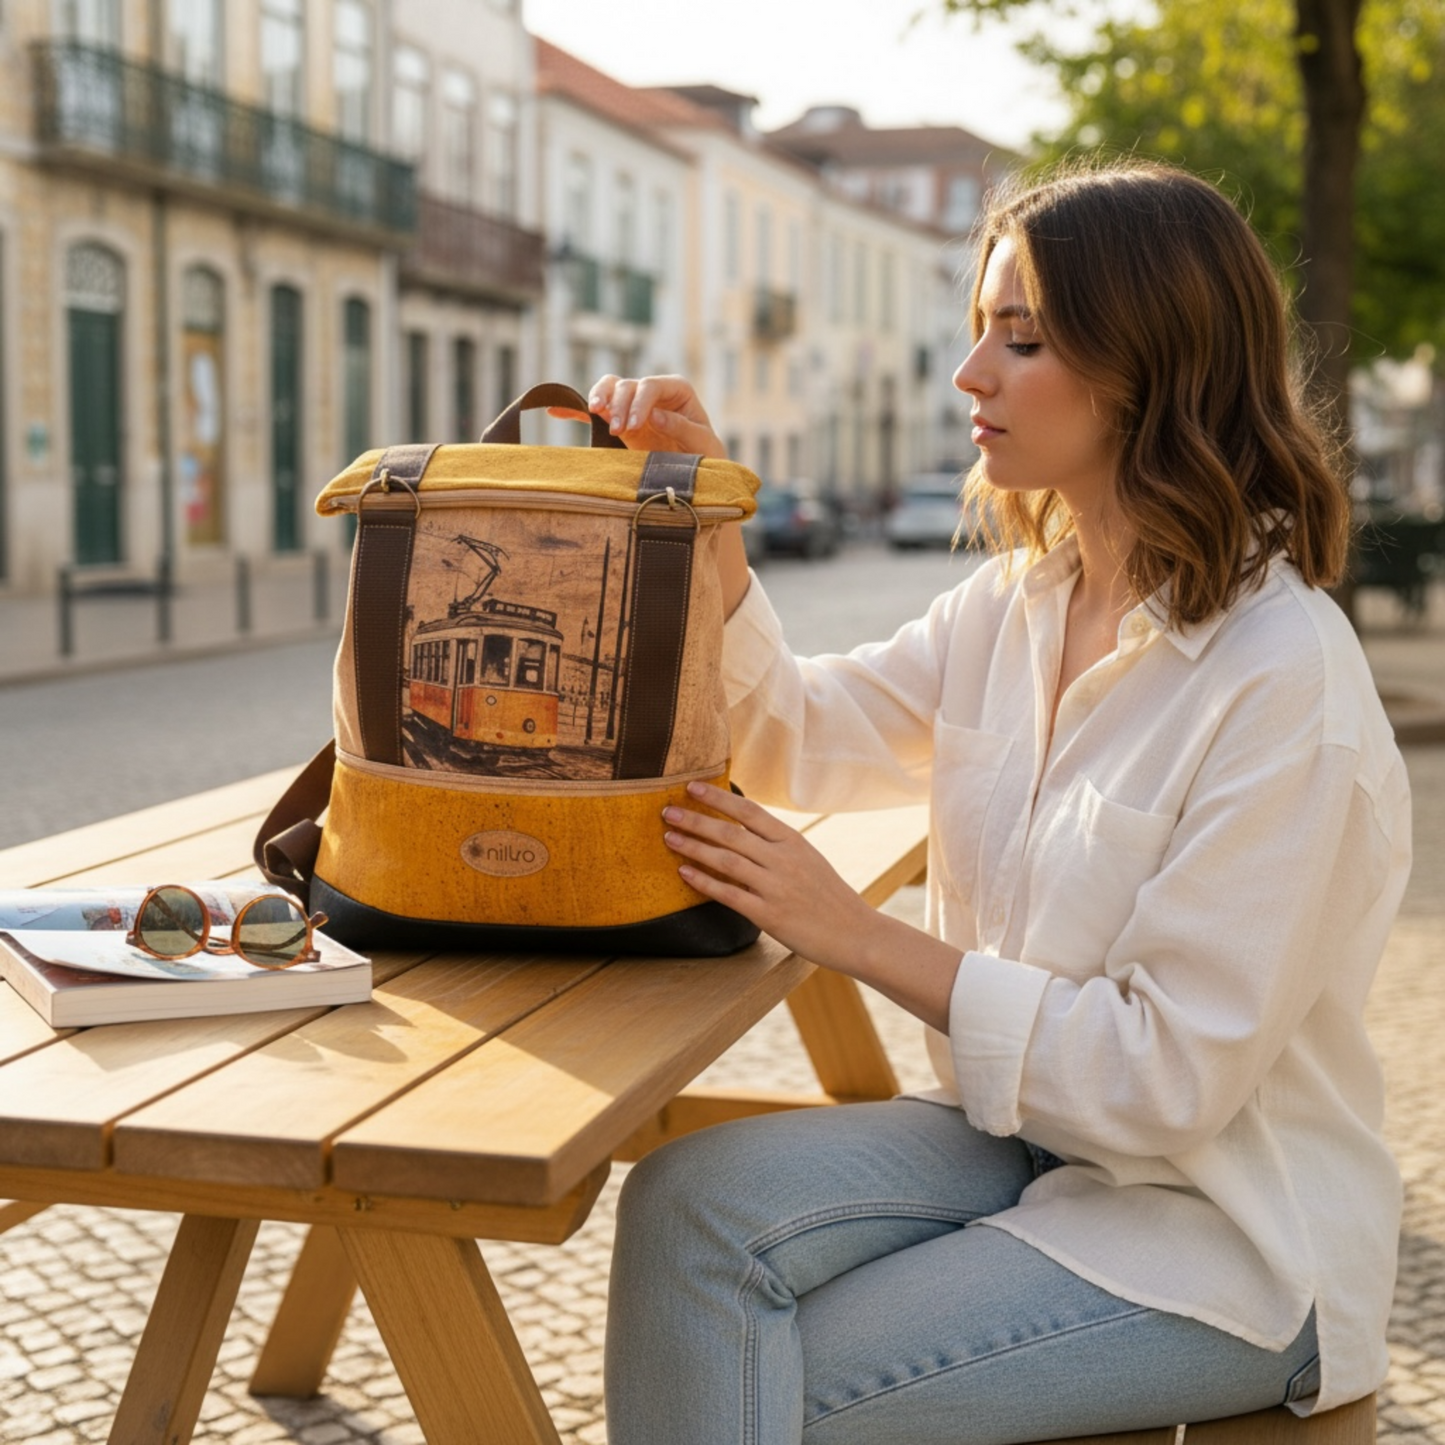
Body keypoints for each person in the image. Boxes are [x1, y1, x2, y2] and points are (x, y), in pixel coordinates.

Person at [574, 159, 1412, 1445]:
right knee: (684, 1199)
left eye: (1018, 338)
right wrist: (707, 512)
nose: (969, 372)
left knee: (757, 1375)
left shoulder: (1279, 678)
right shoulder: (1017, 602)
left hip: (1221, 1225)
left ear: (1152, 363)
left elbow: (1161, 1079)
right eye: (979, 329)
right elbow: (797, 731)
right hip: (1018, 1137)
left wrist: (847, 929)